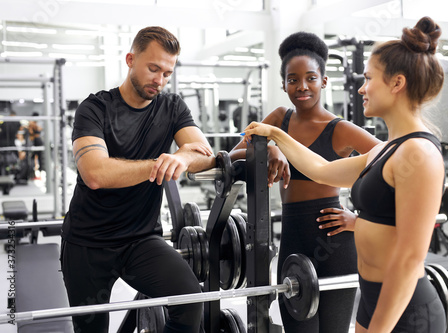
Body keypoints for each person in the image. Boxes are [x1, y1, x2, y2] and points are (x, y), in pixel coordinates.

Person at [242, 16, 446, 333]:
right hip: (372, 298)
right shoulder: (385, 151)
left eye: (368, 78)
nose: (362, 87)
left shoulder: (418, 154)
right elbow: (321, 170)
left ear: (396, 83)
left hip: (406, 313)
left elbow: (408, 262)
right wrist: (273, 137)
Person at [61, 26, 215, 333]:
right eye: (153, 68)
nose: (159, 80)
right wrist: (160, 163)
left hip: (140, 239)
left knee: (191, 301)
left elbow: (206, 156)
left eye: (167, 73)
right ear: (131, 59)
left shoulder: (172, 107)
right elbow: (95, 174)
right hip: (87, 245)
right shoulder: (94, 109)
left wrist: (182, 157)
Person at [230, 32, 379, 332]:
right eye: (293, 79)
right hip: (293, 238)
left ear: (323, 81)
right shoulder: (278, 120)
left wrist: (359, 219)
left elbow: (390, 158)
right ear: (284, 84)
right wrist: (269, 147)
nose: (302, 87)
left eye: (311, 78)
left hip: (335, 241)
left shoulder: (340, 129)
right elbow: (233, 155)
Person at [28, 112, 44, 177]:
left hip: (38, 141)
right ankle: (33, 173)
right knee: (33, 157)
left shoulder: (34, 123)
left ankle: (39, 173)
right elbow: (31, 131)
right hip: (35, 141)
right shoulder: (31, 123)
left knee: (39, 157)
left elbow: (39, 129)